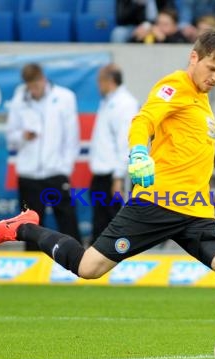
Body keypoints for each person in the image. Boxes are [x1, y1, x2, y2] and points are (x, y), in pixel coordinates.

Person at [0, 29, 215, 359]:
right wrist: (139, 152)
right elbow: (144, 120)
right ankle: (24, 228)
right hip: (156, 205)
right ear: (194, 58)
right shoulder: (175, 87)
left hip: (196, 211)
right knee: (88, 268)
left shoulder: (201, 99)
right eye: (211, 68)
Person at [6, 63, 82, 251]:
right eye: (30, 86)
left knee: (67, 220)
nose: (34, 90)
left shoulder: (64, 98)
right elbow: (10, 137)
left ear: (43, 79)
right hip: (29, 174)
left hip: (56, 171)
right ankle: (32, 267)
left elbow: (72, 137)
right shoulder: (19, 101)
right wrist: (23, 136)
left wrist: (64, 168)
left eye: (36, 85)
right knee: (30, 227)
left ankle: (77, 261)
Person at [89, 63, 139, 243]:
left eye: (99, 81)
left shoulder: (124, 104)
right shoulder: (108, 101)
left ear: (109, 80)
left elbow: (125, 142)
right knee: (100, 225)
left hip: (113, 177)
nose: (98, 86)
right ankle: (95, 267)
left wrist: (118, 178)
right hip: (102, 175)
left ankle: (116, 264)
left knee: (115, 225)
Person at [111, 0, 176, 43]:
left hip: (159, 25)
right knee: (119, 33)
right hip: (136, 25)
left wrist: (154, 27)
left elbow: (171, 13)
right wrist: (137, 4)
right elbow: (121, 18)